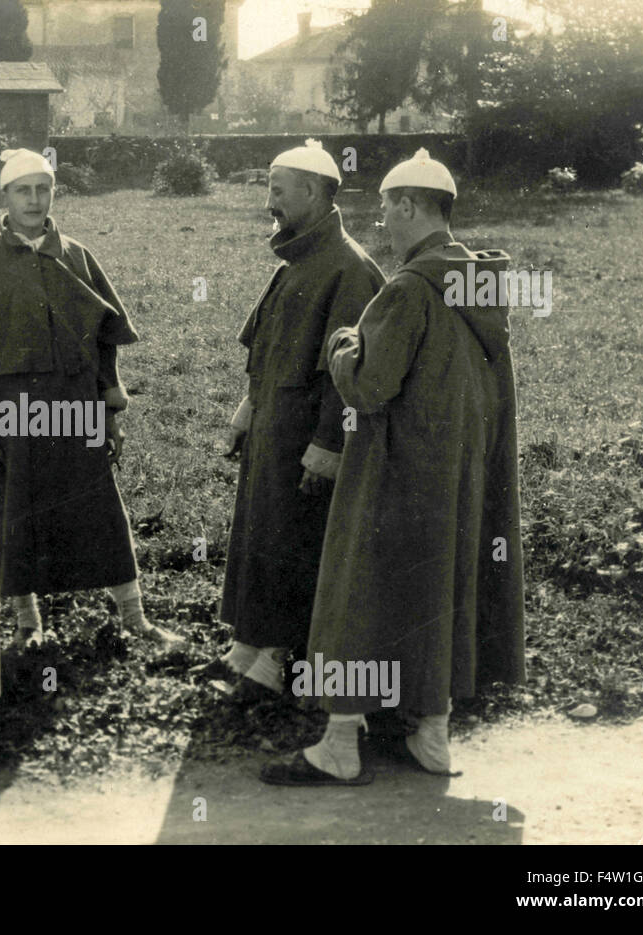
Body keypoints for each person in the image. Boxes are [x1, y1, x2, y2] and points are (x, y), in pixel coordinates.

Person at [261, 149, 526, 786]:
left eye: (385, 206)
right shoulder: (478, 284)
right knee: (438, 593)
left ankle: (340, 744)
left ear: (408, 205)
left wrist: (343, 345)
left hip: (393, 469)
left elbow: (371, 387)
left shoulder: (408, 288)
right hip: (458, 476)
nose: (381, 220)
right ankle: (431, 736)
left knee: (359, 592)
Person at [0, 148, 180, 650]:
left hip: (76, 408)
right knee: (19, 510)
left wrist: (111, 406)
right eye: (22, 191)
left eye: (43, 189)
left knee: (99, 504)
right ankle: (28, 623)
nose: (34, 201)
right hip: (14, 410)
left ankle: (134, 616)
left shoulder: (76, 255)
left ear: (53, 192)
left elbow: (105, 338)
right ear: (4, 198)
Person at [197, 140, 384, 702]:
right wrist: (244, 413)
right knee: (257, 534)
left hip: (304, 441)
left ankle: (276, 661)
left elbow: (343, 377)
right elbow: (266, 353)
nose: (269, 201)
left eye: (278, 189)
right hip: (270, 430)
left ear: (311, 191)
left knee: (291, 544)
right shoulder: (296, 259)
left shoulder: (349, 269)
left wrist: (325, 449)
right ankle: (246, 646)